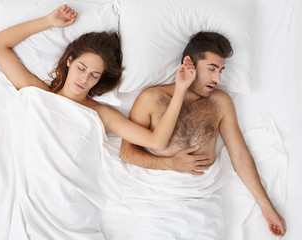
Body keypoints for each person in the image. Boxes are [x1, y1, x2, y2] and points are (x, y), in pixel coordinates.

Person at [120, 31, 287, 237]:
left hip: (202, 203)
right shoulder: (151, 98)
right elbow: (127, 153)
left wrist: (266, 207)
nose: (217, 78)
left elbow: (240, 155)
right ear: (189, 64)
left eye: (221, 71)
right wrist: (170, 164)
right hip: (156, 199)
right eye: (212, 69)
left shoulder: (220, 102)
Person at [0, 5, 200, 152]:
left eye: (94, 75)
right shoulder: (38, 92)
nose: (84, 79)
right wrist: (47, 22)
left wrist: (180, 90)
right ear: (69, 61)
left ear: (100, 80)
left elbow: (157, 142)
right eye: (81, 67)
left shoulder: (101, 114)